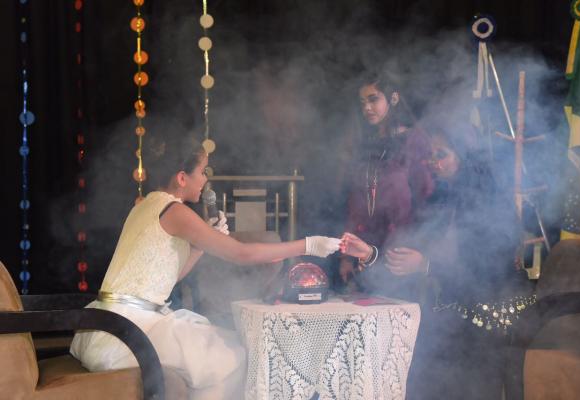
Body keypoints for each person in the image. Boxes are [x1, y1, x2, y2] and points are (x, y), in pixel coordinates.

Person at [70, 133, 341, 400]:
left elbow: (169, 277)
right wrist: (308, 245)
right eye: (202, 172)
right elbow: (242, 253)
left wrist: (199, 246)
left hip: (107, 326)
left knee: (226, 350)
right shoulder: (175, 211)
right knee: (234, 356)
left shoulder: (145, 205)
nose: (205, 180)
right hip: (128, 333)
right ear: (182, 178)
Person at [340, 125, 533, 400]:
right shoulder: (439, 199)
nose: (433, 162)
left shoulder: (488, 202)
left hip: (494, 317)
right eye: (431, 156)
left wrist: (427, 266)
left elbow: (487, 269)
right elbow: (409, 254)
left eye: (441, 154)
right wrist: (369, 255)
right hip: (454, 313)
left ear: (463, 156)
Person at [337, 70, 434, 289]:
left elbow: (427, 198)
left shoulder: (414, 140)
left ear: (393, 98)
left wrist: (424, 256)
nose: (367, 108)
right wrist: (347, 256)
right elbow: (355, 203)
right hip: (367, 250)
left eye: (373, 99)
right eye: (363, 102)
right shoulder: (366, 144)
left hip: (403, 252)